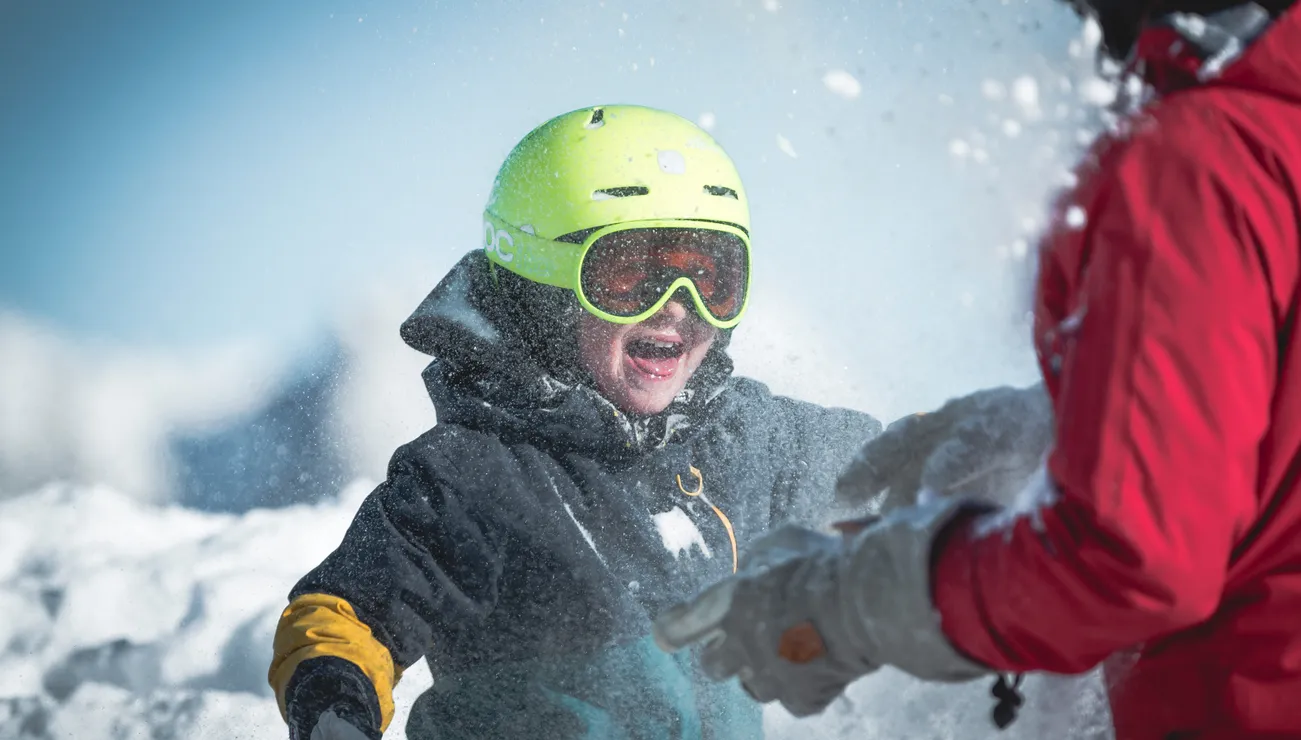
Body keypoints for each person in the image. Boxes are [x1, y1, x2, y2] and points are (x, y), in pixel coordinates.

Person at [652, 2, 1301, 738]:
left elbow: (1131, 560)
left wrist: (852, 603)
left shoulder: (1205, 155)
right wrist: (1062, 423)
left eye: (711, 280)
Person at [266, 104, 883, 740]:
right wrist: (335, 710)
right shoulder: (472, 476)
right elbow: (345, 616)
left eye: (710, 279)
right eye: (628, 277)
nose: (678, 309)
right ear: (544, 290)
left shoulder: (737, 440)